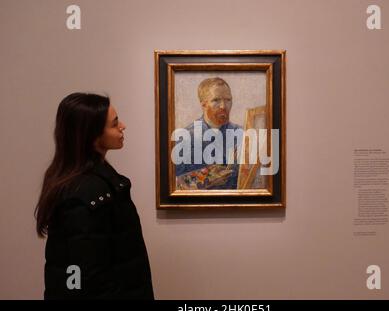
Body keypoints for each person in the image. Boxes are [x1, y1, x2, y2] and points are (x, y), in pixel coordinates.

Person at [34, 93, 154, 299]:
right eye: (114, 124)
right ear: (92, 135)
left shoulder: (99, 183)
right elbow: (84, 277)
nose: (123, 126)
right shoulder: (83, 195)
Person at [175, 77, 242, 189]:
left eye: (228, 100)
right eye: (216, 100)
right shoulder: (185, 139)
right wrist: (208, 178)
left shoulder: (242, 135)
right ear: (203, 104)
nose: (223, 106)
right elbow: (174, 186)